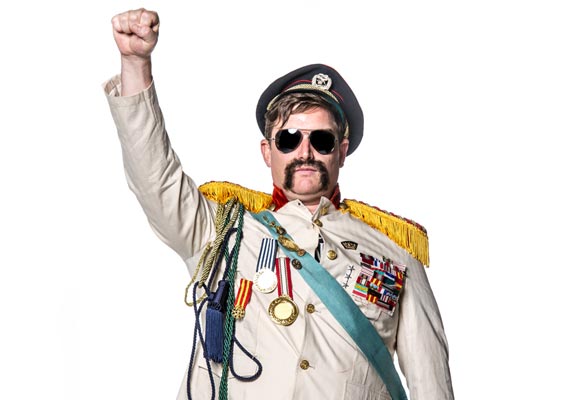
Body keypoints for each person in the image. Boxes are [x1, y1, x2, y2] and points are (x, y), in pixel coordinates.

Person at [104, 8, 454, 400]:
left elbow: (431, 384)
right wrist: (135, 64)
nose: (305, 152)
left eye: (321, 140)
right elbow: (156, 179)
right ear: (267, 151)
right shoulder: (222, 230)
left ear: (341, 151)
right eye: (289, 139)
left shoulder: (396, 252)